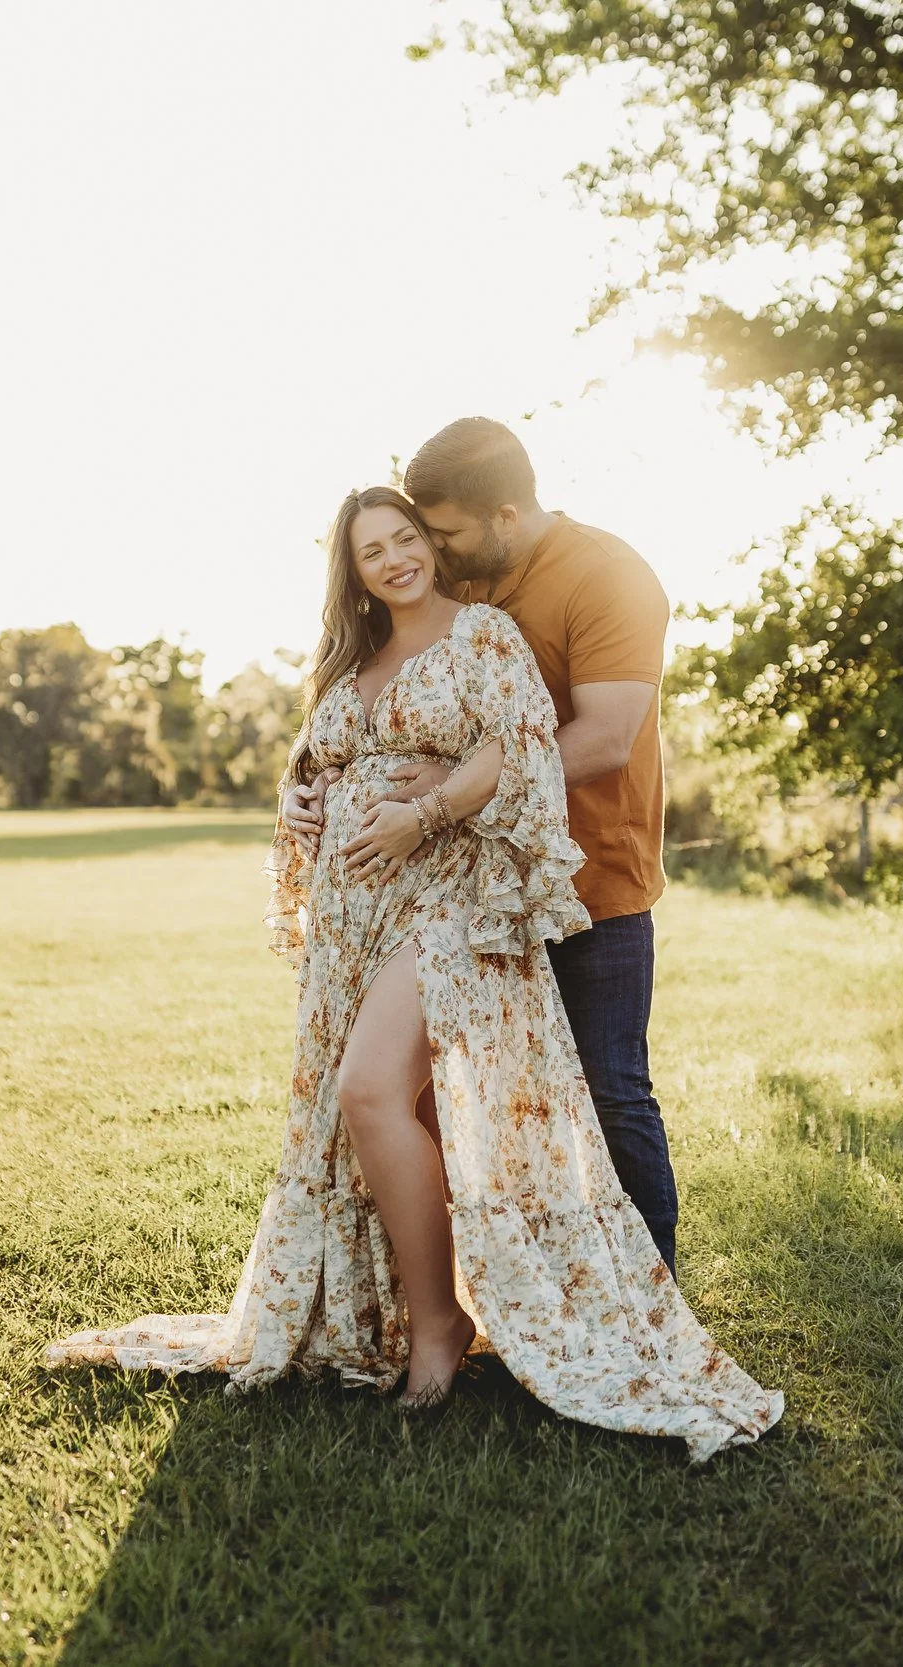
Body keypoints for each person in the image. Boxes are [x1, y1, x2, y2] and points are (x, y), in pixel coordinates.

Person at [44, 485, 780, 1460]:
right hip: (353, 920)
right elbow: (317, 760)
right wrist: (301, 798)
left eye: (405, 539)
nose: (394, 559)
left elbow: (519, 745)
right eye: (372, 550)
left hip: (446, 900)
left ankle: (441, 1323)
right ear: (351, 571)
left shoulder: (484, 635)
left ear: (429, 545)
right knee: (372, 1106)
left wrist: (422, 814)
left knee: (368, 1088)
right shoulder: (347, 658)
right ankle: (411, 1305)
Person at [287, 418, 684, 1270]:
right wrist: (316, 785)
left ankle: (652, 1299)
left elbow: (606, 737)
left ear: (504, 515)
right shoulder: (467, 581)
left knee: (608, 1092)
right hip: (460, 891)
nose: (429, 551)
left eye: (442, 534)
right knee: (475, 1099)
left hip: (587, 880)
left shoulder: (607, 576)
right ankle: (509, 1291)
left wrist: (448, 791)